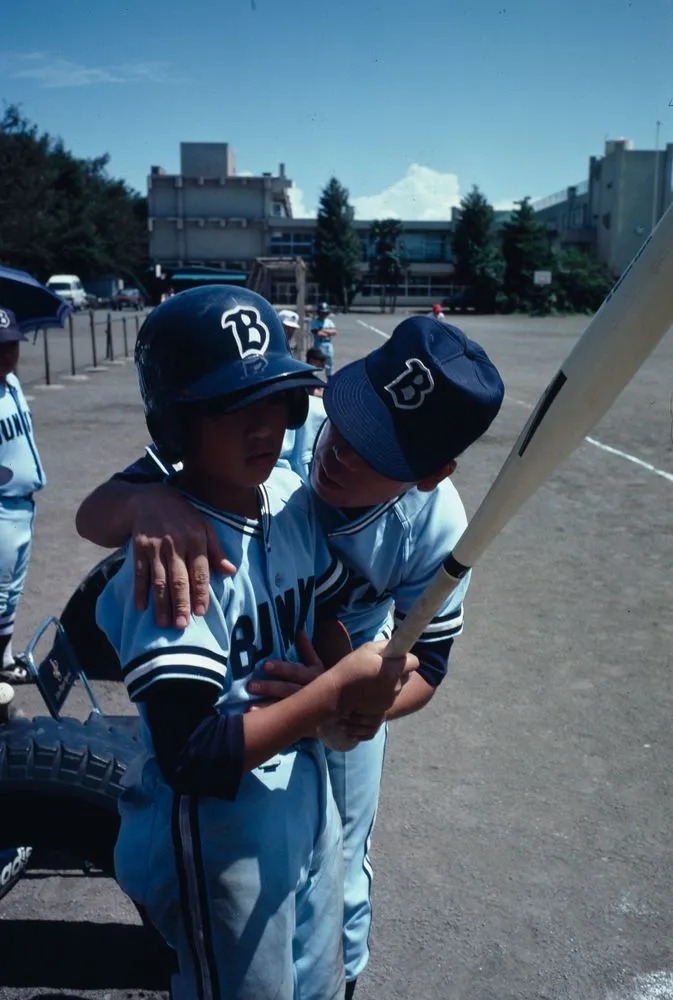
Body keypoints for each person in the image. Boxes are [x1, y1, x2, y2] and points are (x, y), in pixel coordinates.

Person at [77, 315, 504, 998]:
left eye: (377, 450)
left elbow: (426, 665)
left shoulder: (436, 526)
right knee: (241, 877)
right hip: (249, 669)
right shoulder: (276, 425)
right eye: (350, 416)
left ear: (429, 475)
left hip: (358, 666)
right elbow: (93, 515)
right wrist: (148, 502)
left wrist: (357, 700)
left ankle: (338, 982)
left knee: (338, 860)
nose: (342, 452)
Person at [0, 308, 46, 684]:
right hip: (1, 509)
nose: (7, 354)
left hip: (24, 506)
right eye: (0, 346)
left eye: (12, 344)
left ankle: (4, 659)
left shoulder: (13, 384)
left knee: (12, 592)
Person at [310, 301, 337, 378]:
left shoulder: (329, 321)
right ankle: (314, 383)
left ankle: (330, 382)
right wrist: (328, 331)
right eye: (322, 313)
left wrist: (323, 330)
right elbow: (317, 333)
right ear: (318, 312)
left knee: (329, 365)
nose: (323, 315)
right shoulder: (315, 322)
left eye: (325, 313)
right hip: (319, 344)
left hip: (328, 344)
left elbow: (334, 332)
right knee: (317, 364)